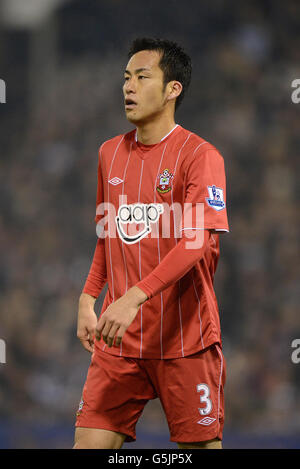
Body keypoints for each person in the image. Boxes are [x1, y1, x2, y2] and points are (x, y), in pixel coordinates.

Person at [74, 37, 229, 450]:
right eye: (126, 78)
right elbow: (109, 235)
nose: (129, 87)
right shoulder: (110, 153)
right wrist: (89, 298)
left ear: (172, 89)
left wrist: (133, 297)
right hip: (119, 343)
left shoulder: (201, 156)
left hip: (186, 340)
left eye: (143, 78)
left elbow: (195, 241)